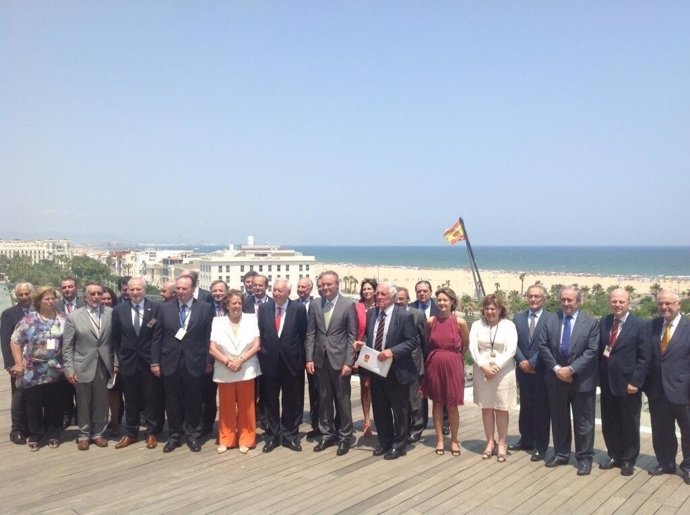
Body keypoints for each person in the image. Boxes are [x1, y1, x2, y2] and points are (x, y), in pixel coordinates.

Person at [539, 285, 599, 476]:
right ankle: (561, 454)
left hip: (582, 380)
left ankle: (584, 459)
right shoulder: (550, 320)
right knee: (559, 419)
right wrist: (558, 369)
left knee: (584, 422)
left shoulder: (590, 323)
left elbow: (592, 351)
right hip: (556, 379)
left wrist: (571, 369)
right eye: (563, 299)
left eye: (570, 300)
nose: (566, 303)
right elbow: (543, 346)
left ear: (578, 301)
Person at [151, 275, 214, 453]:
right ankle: (174, 436)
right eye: (178, 288)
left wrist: (210, 360)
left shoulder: (205, 308)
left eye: (184, 288)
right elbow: (157, 336)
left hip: (195, 362)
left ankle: (193, 435)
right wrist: (155, 361)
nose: (180, 292)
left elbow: (210, 336)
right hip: (169, 361)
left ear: (193, 289)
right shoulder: (165, 308)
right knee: (172, 401)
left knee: (194, 400)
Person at [354, 283, 417, 459]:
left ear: (393, 297)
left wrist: (392, 351)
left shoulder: (404, 316)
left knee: (399, 410)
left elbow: (412, 341)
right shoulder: (371, 313)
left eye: (382, 294)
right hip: (376, 370)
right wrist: (362, 344)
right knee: (380, 410)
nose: (378, 297)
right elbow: (370, 336)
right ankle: (385, 442)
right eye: (377, 294)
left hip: (397, 371)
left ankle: (399, 445)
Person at [598, 288, 651, 476]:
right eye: (614, 301)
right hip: (606, 382)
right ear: (610, 302)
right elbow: (600, 351)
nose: (617, 305)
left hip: (628, 384)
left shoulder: (640, 325)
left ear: (628, 303)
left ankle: (628, 459)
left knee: (629, 423)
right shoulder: (604, 321)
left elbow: (645, 357)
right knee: (610, 421)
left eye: (621, 302)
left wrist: (636, 381)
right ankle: (614, 455)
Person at [305, 270, 357, 456]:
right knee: (324, 399)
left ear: (337, 284)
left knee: (343, 400)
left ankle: (345, 436)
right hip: (320, 360)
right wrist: (309, 358)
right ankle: (327, 434)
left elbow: (352, 336)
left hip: (340, 360)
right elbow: (310, 333)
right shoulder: (315, 304)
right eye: (322, 285)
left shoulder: (348, 305)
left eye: (329, 284)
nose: (325, 288)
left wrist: (349, 362)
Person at [9, 286, 66, 450]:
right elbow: (15, 341)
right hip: (33, 369)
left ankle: (53, 434)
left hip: (56, 369)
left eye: (52, 298)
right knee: (33, 404)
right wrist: (18, 363)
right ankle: (35, 434)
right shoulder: (29, 319)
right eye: (46, 299)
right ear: (38, 301)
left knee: (54, 404)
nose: (50, 301)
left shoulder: (62, 319)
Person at [111, 276, 164, 450]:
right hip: (128, 362)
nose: (134, 292)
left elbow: (157, 337)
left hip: (149, 362)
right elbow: (116, 338)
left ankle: (151, 432)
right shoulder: (119, 310)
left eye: (138, 289)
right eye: (131, 289)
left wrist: (155, 361)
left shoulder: (155, 308)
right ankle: (131, 433)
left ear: (145, 290)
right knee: (131, 399)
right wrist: (119, 360)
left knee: (151, 398)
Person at [62, 281, 115, 450]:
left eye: (99, 293)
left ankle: (98, 433)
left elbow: (116, 342)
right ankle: (83, 434)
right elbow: (68, 346)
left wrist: (116, 365)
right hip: (81, 365)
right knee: (83, 402)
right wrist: (69, 369)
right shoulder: (74, 317)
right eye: (92, 294)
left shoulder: (111, 313)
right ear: (85, 297)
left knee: (101, 401)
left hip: (104, 365)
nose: (96, 297)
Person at [257, 279, 307, 452]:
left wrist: (302, 360)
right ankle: (273, 435)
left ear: (288, 292)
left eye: (280, 291)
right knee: (270, 401)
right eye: (274, 290)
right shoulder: (264, 308)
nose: (276, 293)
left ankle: (290, 436)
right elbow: (261, 333)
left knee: (291, 400)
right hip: (269, 363)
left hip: (291, 363)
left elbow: (303, 335)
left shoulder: (298, 309)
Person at [645, 290, 690, 482]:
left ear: (678, 304)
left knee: (688, 430)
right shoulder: (652, 326)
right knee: (661, 429)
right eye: (661, 304)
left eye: (668, 304)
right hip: (657, 389)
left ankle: (688, 466)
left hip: (684, 390)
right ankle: (666, 462)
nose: (664, 307)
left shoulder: (688, 327)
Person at [208, 289, 261, 454]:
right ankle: (226, 439)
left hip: (246, 366)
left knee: (247, 406)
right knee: (226, 406)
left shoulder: (251, 319)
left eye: (239, 303)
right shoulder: (217, 321)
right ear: (227, 305)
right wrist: (227, 361)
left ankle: (247, 439)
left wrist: (240, 360)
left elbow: (256, 344)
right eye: (233, 303)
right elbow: (212, 347)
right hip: (225, 368)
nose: (236, 306)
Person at [469, 294, 518, 463]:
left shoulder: (508, 325)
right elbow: (473, 348)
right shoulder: (476, 325)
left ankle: (502, 443)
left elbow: (511, 350)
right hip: (482, 370)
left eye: (493, 308)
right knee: (487, 407)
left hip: (503, 372)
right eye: (487, 308)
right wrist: (484, 367)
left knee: (501, 408)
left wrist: (496, 367)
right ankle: (490, 442)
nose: (490, 311)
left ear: (499, 309)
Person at [421, 287, 469, 456]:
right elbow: (428, 342)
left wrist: (456, 359)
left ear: (452, 302)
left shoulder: (460, 322)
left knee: (452, 404)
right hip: (434, 364)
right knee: (437, 403)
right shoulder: (430, 321)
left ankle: (454, 440)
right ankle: (440, 439)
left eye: (445, 300)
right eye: (439, 300)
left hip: (453, 365)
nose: (442, 303)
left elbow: (466, 345)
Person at [510, 284, 553, 461]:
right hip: (523, 369)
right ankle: (526, 439)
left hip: (541, 370)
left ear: (544, 299)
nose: (533, 299)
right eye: (530, 296)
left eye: (537, 296)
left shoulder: (551, 319)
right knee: (525, 406)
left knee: (542, 408)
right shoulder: (518, 318)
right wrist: (522, 361)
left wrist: (533, 362)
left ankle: (540, 446)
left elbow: (549, 344)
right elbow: (514, 343)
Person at [394, 286, 429, 444]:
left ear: (408, 299)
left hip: (414, 362)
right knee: (400, 399)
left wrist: (425, 363)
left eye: (402, 298)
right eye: (397, 299)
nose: (399, 301)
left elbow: (424, 340)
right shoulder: (392, 313)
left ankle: (417, 428)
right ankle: (403, 427)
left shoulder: (417, 314)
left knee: (415, 399)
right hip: (396, 363)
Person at [1, 282, 33, 444]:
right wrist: (9, 364)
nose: (24, 297)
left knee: (34, 396)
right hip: (18, 363)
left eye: (27, 294)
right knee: (19, 396)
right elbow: (6, 340)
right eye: (21, 295)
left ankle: (32, 427)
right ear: (16, 296)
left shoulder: (38, 311)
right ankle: (17, 430)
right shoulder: (9, 314)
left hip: (37, 363)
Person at [410, 280, 441, 433]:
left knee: (439, 390)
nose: (422, 293)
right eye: (419, 291)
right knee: (419, 390)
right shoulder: (410, 308)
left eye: (425, 291)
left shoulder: (439, 308)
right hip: (417, 356)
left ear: (430, 291)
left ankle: (445, 422)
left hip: (436, 354)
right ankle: (420, 422)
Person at [296, 277, 320, 440]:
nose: (301, 289)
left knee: (315, 388)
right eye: (299, 287)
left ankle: (316, 420)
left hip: (313, 352)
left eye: (304, 287)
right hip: (297, 352)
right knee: (296, 388)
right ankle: (296, 418)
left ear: (310, 289)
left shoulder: (317, 304)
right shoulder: (292, 305)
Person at [355, 278, 377, 437]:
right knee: (366, 386)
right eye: (364, 289)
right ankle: (367, 420)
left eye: (369, 289)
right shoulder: (356, 307)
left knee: (381, 388)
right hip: (363, 351)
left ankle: (381, 419)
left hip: (380, 352)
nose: (366, 291)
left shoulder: (381, 306)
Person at [101, 287, 123, 437]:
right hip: (94, 360)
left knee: (113, 393)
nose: (106, 301)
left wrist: (116, 362)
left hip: (112, 359)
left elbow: (118, 340)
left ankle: (115, 422)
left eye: (109, 298)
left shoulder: (117, 313)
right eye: (103, 298)